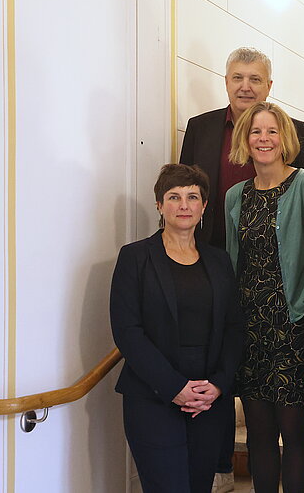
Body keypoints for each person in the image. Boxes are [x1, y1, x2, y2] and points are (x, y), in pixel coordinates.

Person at [110, 164, 244, 493]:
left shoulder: (219, 260)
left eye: (192, 197)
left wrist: (218, 385)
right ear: (159, 205)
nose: (183, 205)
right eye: (174, 197)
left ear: (204, 206)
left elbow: (234, 328)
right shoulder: (135, 258)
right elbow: (128, 331)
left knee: (199, 486)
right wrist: (174, 387)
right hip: (153, 398)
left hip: (208, 400)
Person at [224, 102, 304, 493]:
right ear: (244, 140)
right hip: (250, 328)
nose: (263, 139)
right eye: (255, 132)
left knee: (292, 430)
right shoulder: (235, 196)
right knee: (258, 433)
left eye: (270, 131)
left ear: (284, 138)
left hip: (293, 325)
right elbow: (235, 263)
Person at [180, 46, 304, 250]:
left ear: (269, 86)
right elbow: (182, 188)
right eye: (237, 78)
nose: (245, 87)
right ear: (226, 82)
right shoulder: (199, 128)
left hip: (275, 254)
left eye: (255, 79)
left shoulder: (294, 130)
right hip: (210, 249)